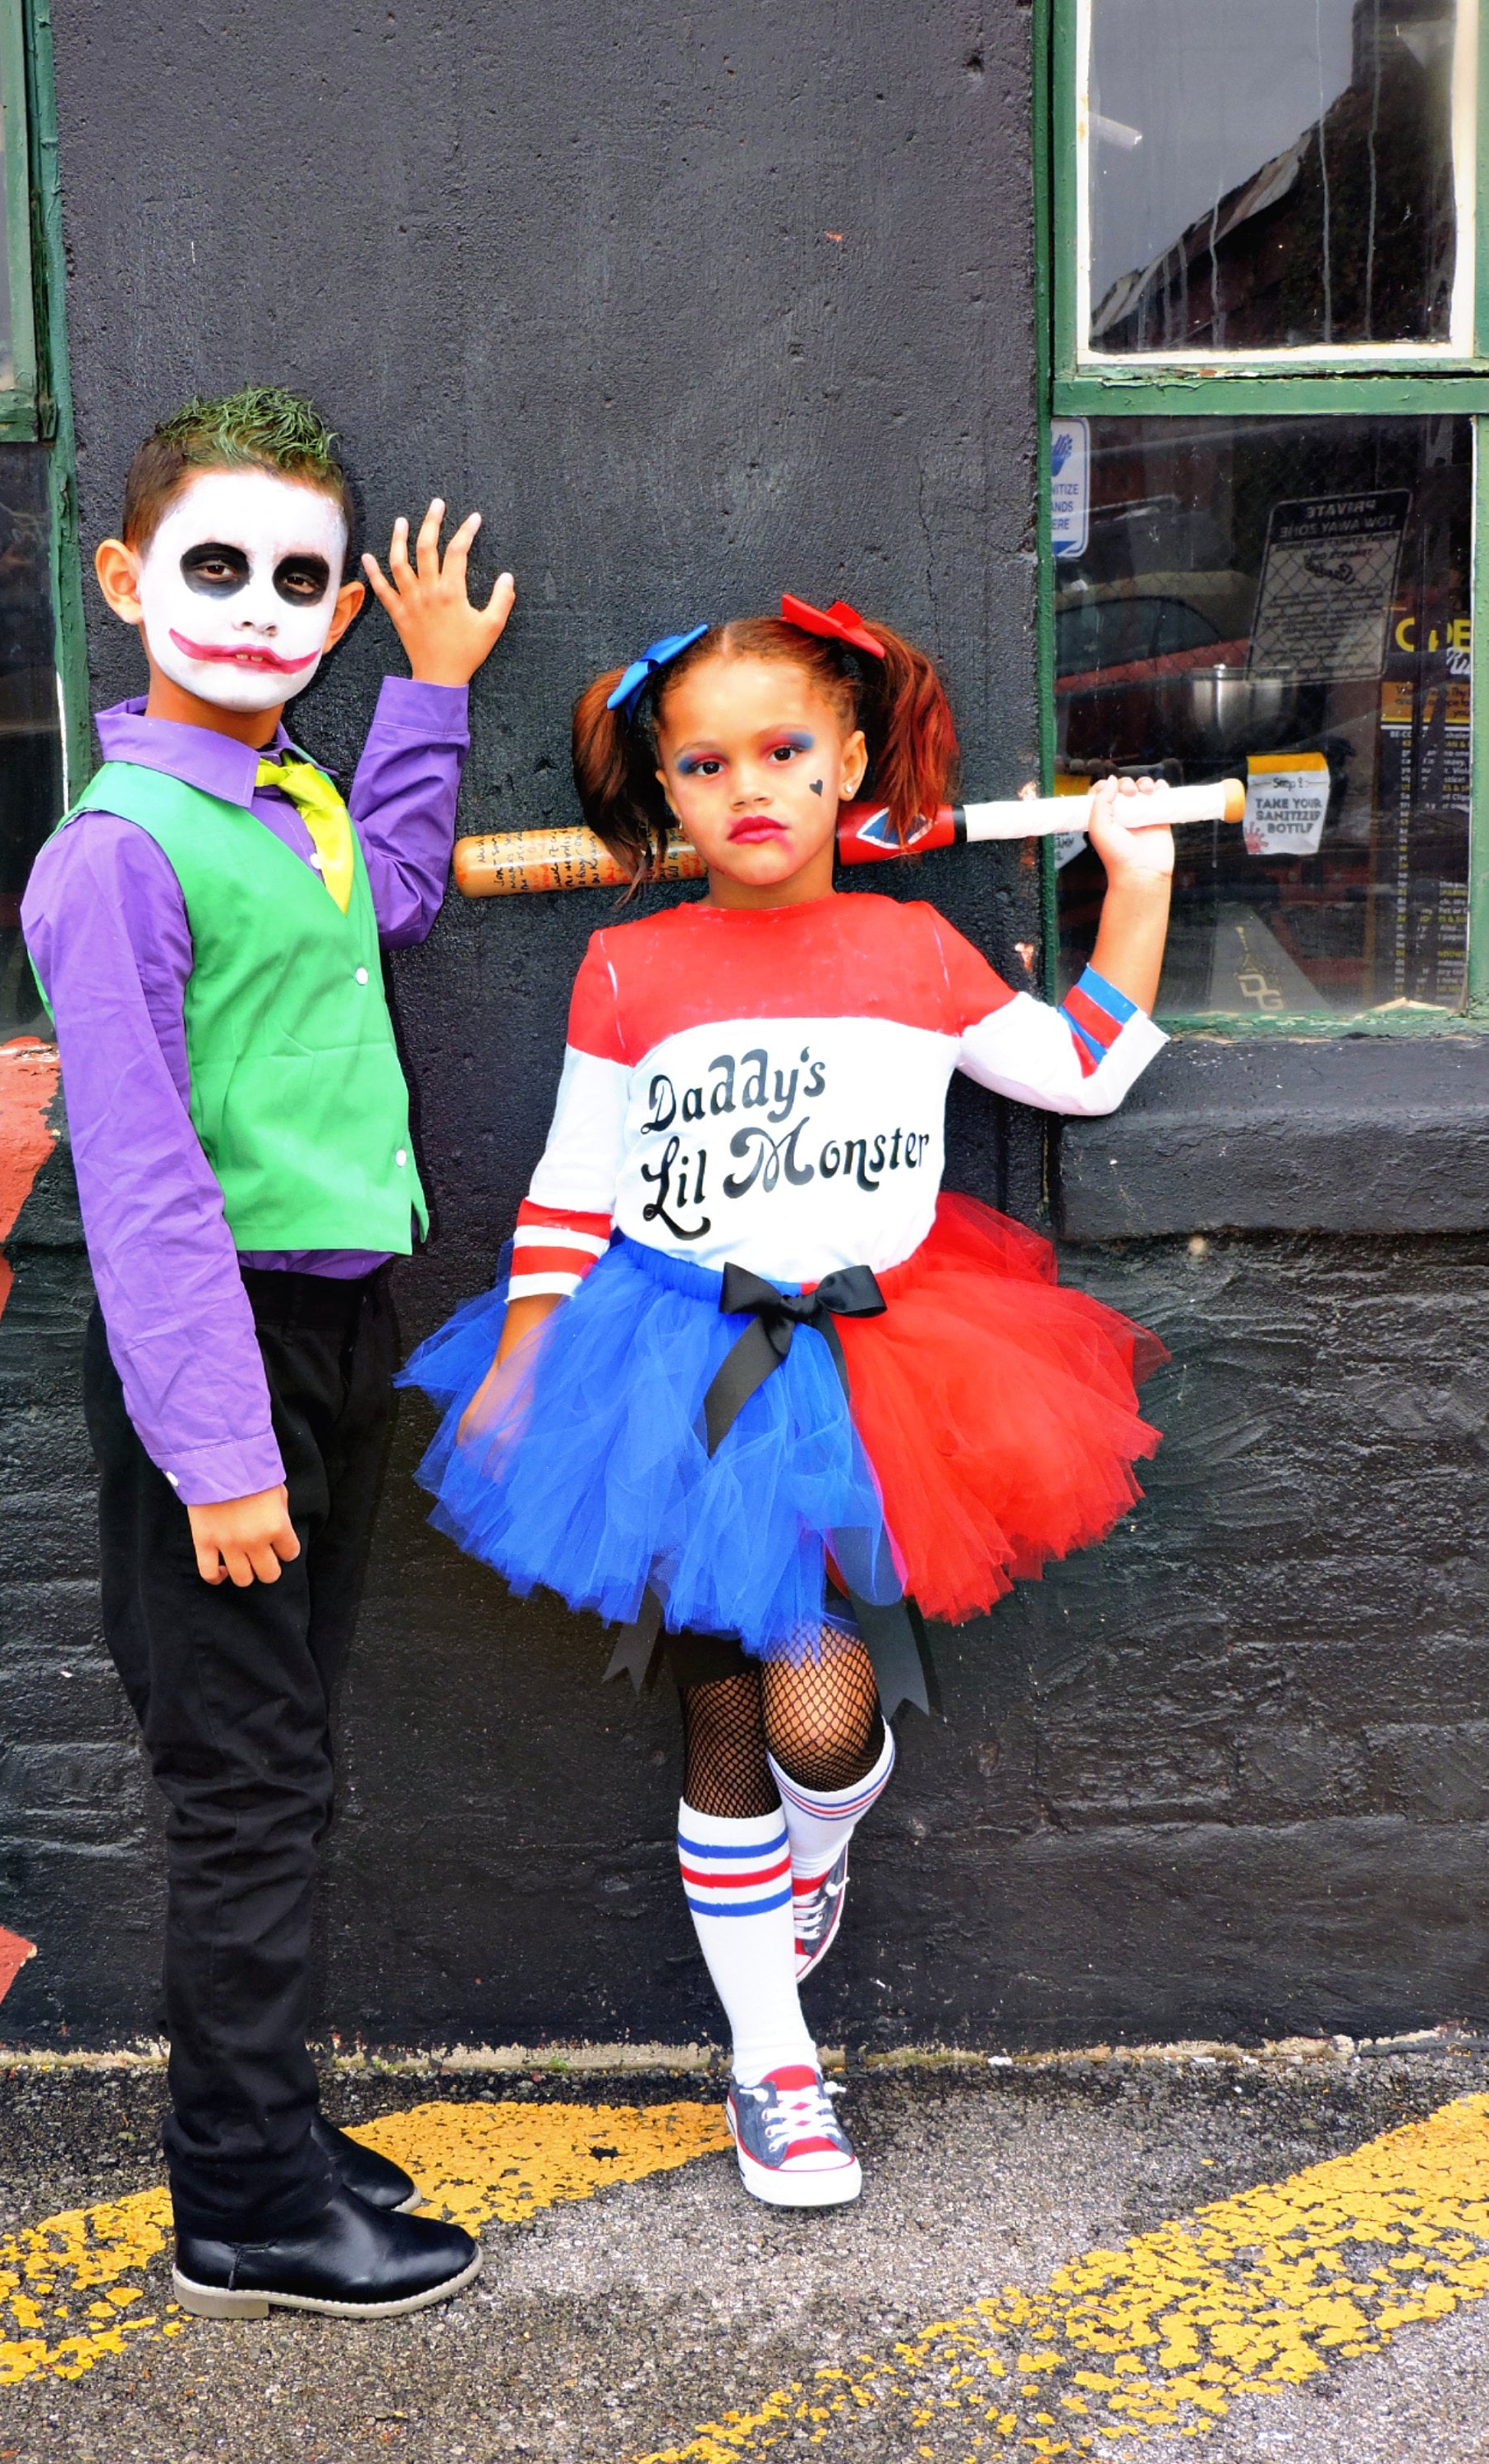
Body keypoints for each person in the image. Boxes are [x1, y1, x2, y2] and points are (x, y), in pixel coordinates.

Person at [402, 598, 1171, 2209]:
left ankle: (817, 1856)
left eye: (784, 751)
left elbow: (1083, 1068)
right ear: (666, 792)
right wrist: (532, 1351)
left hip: (875, 1366)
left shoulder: (914, 950)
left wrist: (1138, 887)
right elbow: (568, 1187)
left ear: (850, 768)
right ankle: (776, 2063)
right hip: (665, 1368)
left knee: (827, 1730)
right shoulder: (631, 967)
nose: (747, 786)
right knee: (723, 1711)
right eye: (704, 761)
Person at [22, 387, 513, 2319]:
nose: (258, 608)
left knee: (289, 1760)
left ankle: (275, 2125)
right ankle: (236, 2199)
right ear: (129, 579)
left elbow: (382, 896)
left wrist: (432, 690)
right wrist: (221, 1455)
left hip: (329, 1330)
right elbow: (140, 1188)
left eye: (300, 579)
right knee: (240, 1786)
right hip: (208, 1366)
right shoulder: (120, 851)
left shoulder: (289, 791)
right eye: (214, 568)